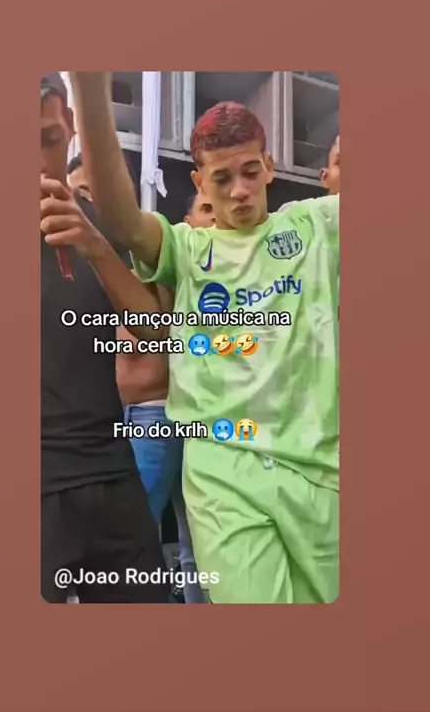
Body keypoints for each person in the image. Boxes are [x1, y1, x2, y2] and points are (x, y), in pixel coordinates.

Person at [70, 72, 340, 604]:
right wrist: (88, 88)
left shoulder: (315, 226)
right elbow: (121, 220)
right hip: (224, 473)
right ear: (199, 184)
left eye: (250, 172)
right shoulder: (188, 249)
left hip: (320, 469)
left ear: (268, 167)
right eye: (222, 178)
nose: (239, 190)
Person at [40, 72, 170, 604]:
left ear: (71, 128)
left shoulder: (94, 219)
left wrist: (93, 244)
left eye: (48, 139)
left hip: (112, 469)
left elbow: (154, 334)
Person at [117, 190, 214, 604]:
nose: (216, 218)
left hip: (174, 417)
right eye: (206, 209)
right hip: (155, 415)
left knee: (179, 541)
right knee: (151, 538)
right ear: (186, 224)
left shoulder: (201, 276)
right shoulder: (164, 268)